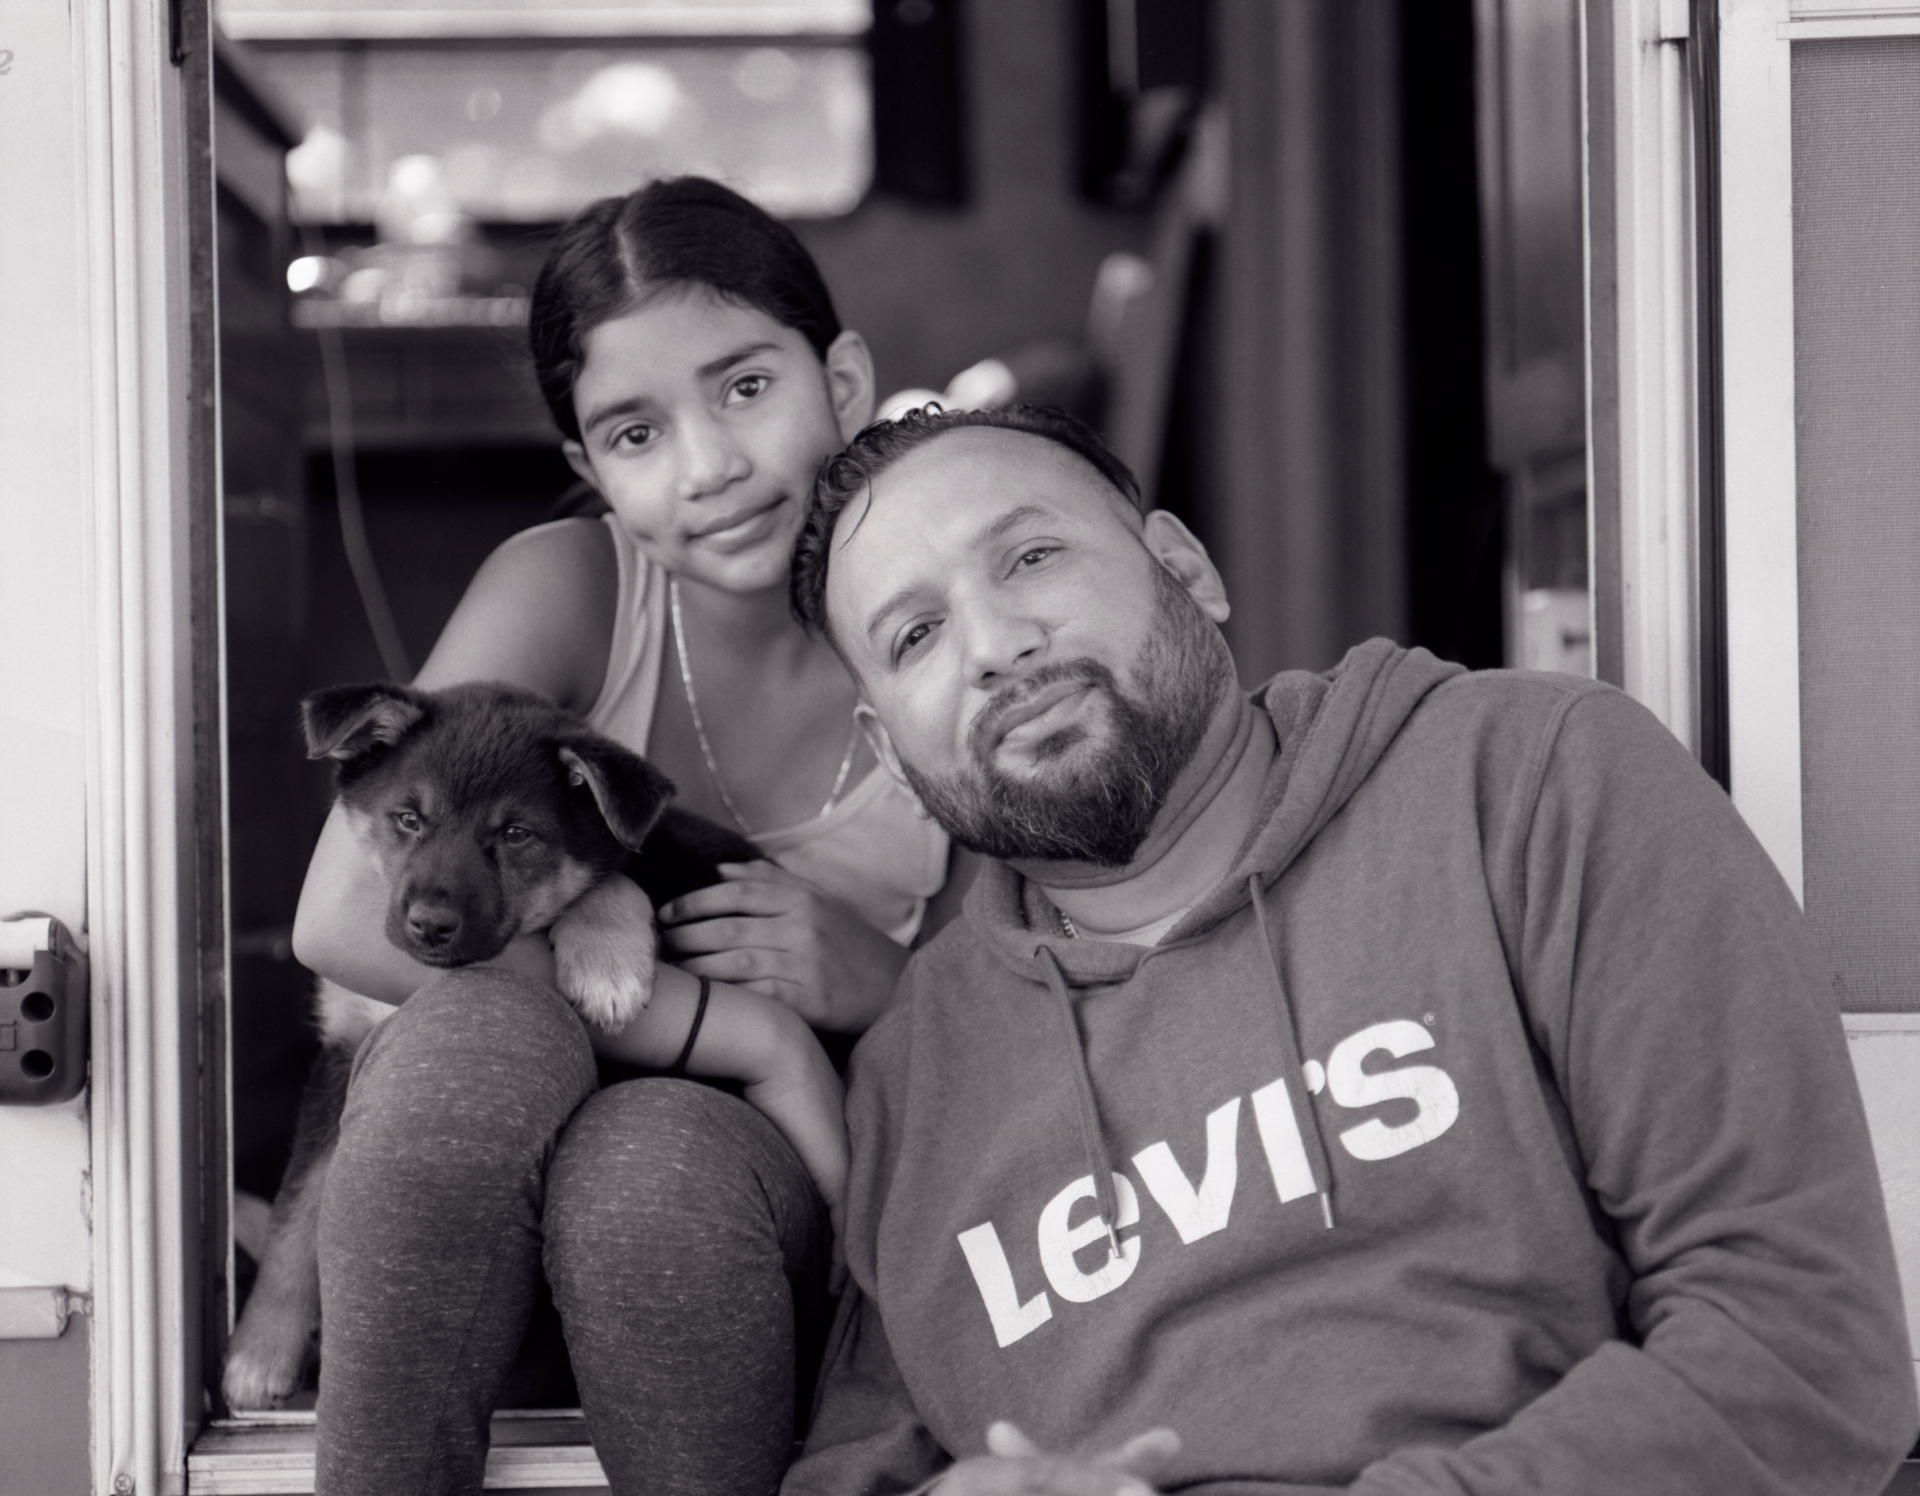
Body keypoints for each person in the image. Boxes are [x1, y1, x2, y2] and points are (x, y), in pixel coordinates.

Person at [780, 403, 1918, 1496]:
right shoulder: (917, 1079)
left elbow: (1803, 1347)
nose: (994, 645)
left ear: (1184, 570)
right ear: (889, 747)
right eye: (915, 633)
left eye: (1030, 557)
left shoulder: (1532, 788)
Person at [290, 178, 961, 1496]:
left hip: (777, 1188)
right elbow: (338, 924)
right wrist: (731, 1026)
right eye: (637, 432)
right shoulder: (576, 586)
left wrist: (878, 983)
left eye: (746, 389)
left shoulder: (944, 600)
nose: (708, 467)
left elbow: (1034, 998)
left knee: (647, 1170)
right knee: (471, 1035)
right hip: (490, 1176)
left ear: (843, 377)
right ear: (591, 473)